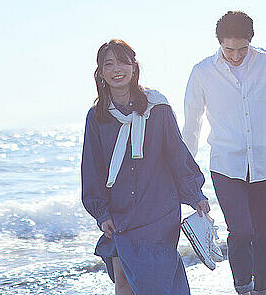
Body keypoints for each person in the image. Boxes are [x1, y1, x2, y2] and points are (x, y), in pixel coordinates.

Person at [182, 11, 266, 295]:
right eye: (229, 49)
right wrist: (185, 175)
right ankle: (243, 289)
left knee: (265, 235)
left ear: (251, 41)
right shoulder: (202, 72)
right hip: (227, 165)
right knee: (240, 231)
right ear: (219, 43)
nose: (236, 56)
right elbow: (192, 125)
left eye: (242, 48)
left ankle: (262, 290)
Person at [81, 39, 210, 295]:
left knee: (159, 282)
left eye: (122, 62)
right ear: (101, 72)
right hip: (119, 213)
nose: (117, 69)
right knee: (123, 279)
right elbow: (92, 169)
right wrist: (101, 213)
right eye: (109, 64)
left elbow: (176, 153)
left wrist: (195, 194)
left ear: (133, 66)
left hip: (158, 211)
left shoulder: (157, 106)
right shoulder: (97, 115)